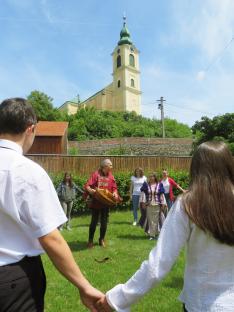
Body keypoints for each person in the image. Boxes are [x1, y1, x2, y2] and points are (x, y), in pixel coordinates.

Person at [97, 141, 234, 312]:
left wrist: (116, 299)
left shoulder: (189, 204)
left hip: (202, 305)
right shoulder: (190, 204)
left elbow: (159, 263)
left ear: (196, 168)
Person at [0, 98, 104, 312]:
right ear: (30, 129)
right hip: (12, 280)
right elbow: (51, 238)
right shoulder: (26, 171)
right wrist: (84, 286)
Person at [85, 159, 118, 248]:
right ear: (105, 166)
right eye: (110, 165)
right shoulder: (96, 174)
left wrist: (115, 193)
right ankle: (90, 241)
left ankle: (101, 239)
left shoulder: (111, 176)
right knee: (94, 222)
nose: (112, 167)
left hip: (106, 203)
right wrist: (90, 190)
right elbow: (87, 185)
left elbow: (114, 187)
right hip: (96, 202)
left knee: (104, 222)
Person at [140, 173, 165, 240]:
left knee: (156, 220)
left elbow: (162, 195)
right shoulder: (146, 185)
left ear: (155, 177)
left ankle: (156, 233)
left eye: (152, 176)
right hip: (149, 205)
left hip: (157, 204)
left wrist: (163, 204)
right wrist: (143, 203)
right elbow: (143, 194)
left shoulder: (160, 185)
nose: (151, 178)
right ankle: (151, 235)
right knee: (150, 220)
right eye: (150, 176)